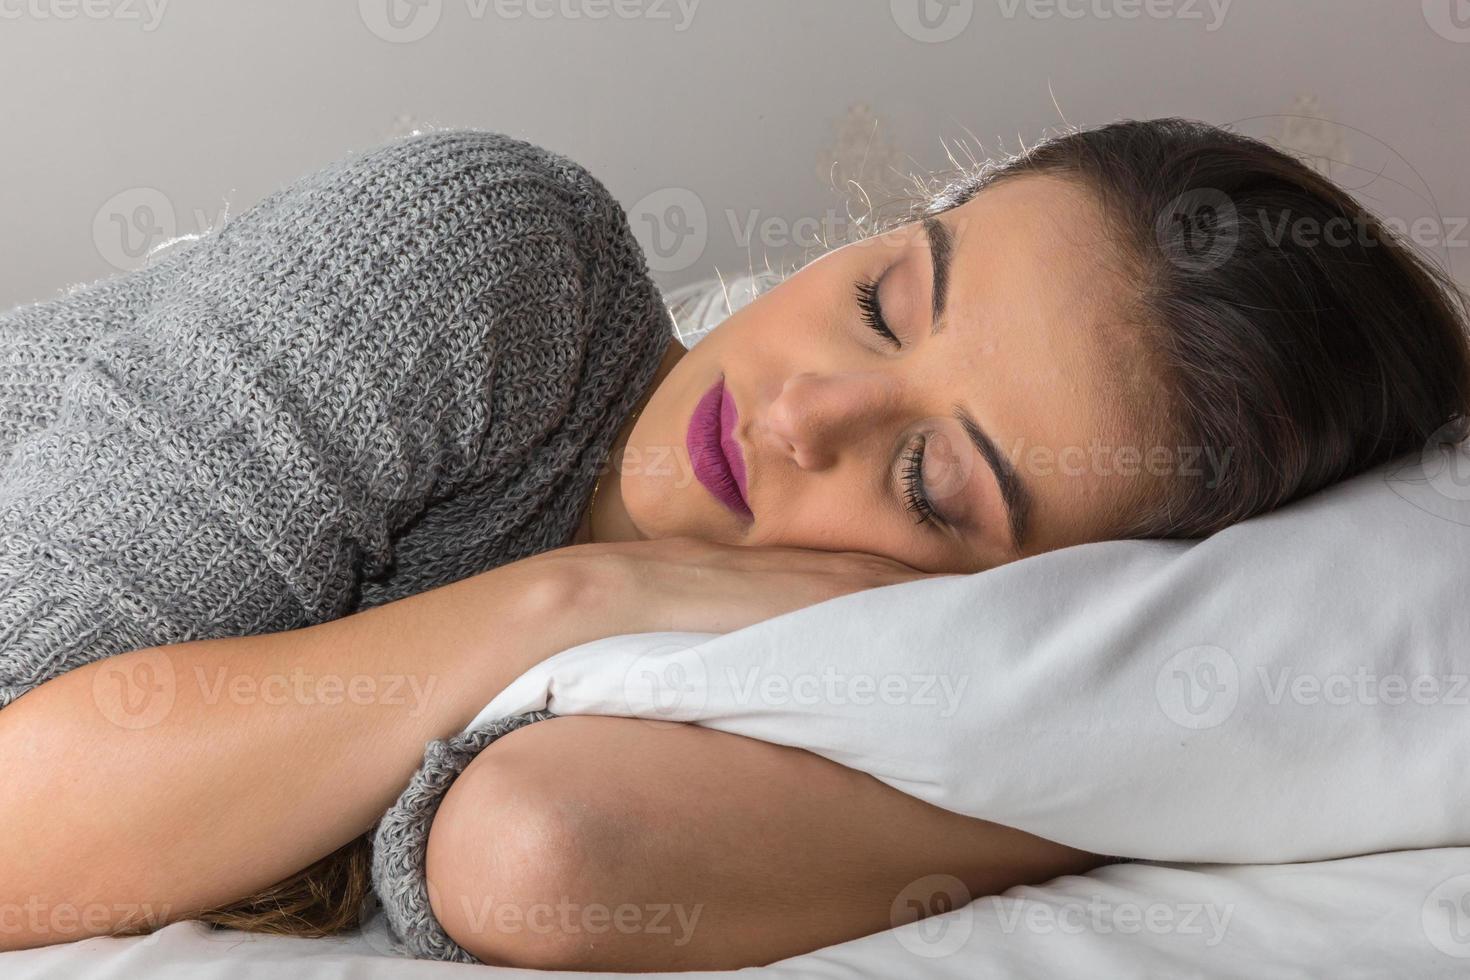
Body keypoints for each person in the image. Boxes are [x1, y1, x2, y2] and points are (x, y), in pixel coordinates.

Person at [2, 118, 1467, 971]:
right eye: (888, 302)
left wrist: (1119, 759)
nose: (801, 409)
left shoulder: (789, 687)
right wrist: (563, 597)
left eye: (926, 480)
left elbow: (542, 855)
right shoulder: (491, 268)